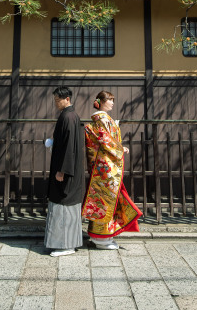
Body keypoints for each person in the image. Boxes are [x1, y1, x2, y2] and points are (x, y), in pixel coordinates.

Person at [82, 91, 142, 250]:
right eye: (110, 100)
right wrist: (120, 149)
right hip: (105, 167)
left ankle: (101, 236)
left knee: (103, 200)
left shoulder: (103, 119)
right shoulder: (101, 120)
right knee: (105, 201)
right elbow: (106, 140)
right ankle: (101, 239)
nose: (113, 103)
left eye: (112, 100)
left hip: (102, 167)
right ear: (101, 102)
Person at [44, 86, 85, 257]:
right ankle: (66, 244)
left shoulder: (68, 116)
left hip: (66, 172)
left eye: (57, 100)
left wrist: (62, 170)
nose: (56, 103)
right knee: (65, 207)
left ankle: (65, 245)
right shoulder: (70, 116)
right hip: (68, 169)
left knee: (64, 206)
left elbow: (69, 147)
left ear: (67, 99)